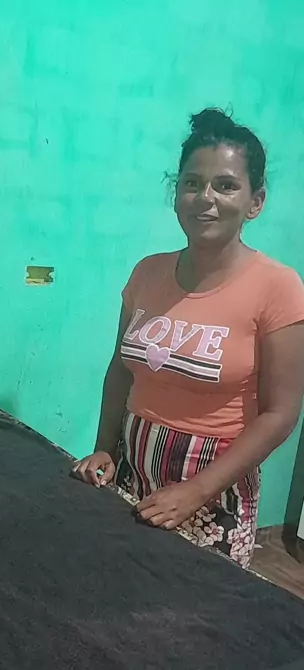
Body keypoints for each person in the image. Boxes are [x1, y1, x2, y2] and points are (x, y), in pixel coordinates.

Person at [73, 108, 304, 568]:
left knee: (192, 606)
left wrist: (196, 491)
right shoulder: (147, 272)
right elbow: (120, 371)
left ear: (255, 201)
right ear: (176, 193)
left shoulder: (278, 288)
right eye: (192, 183)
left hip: (213, 492)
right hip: (132, 471)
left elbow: (280, 414)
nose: (206, 198)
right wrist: (104, 448)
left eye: (226, 185)